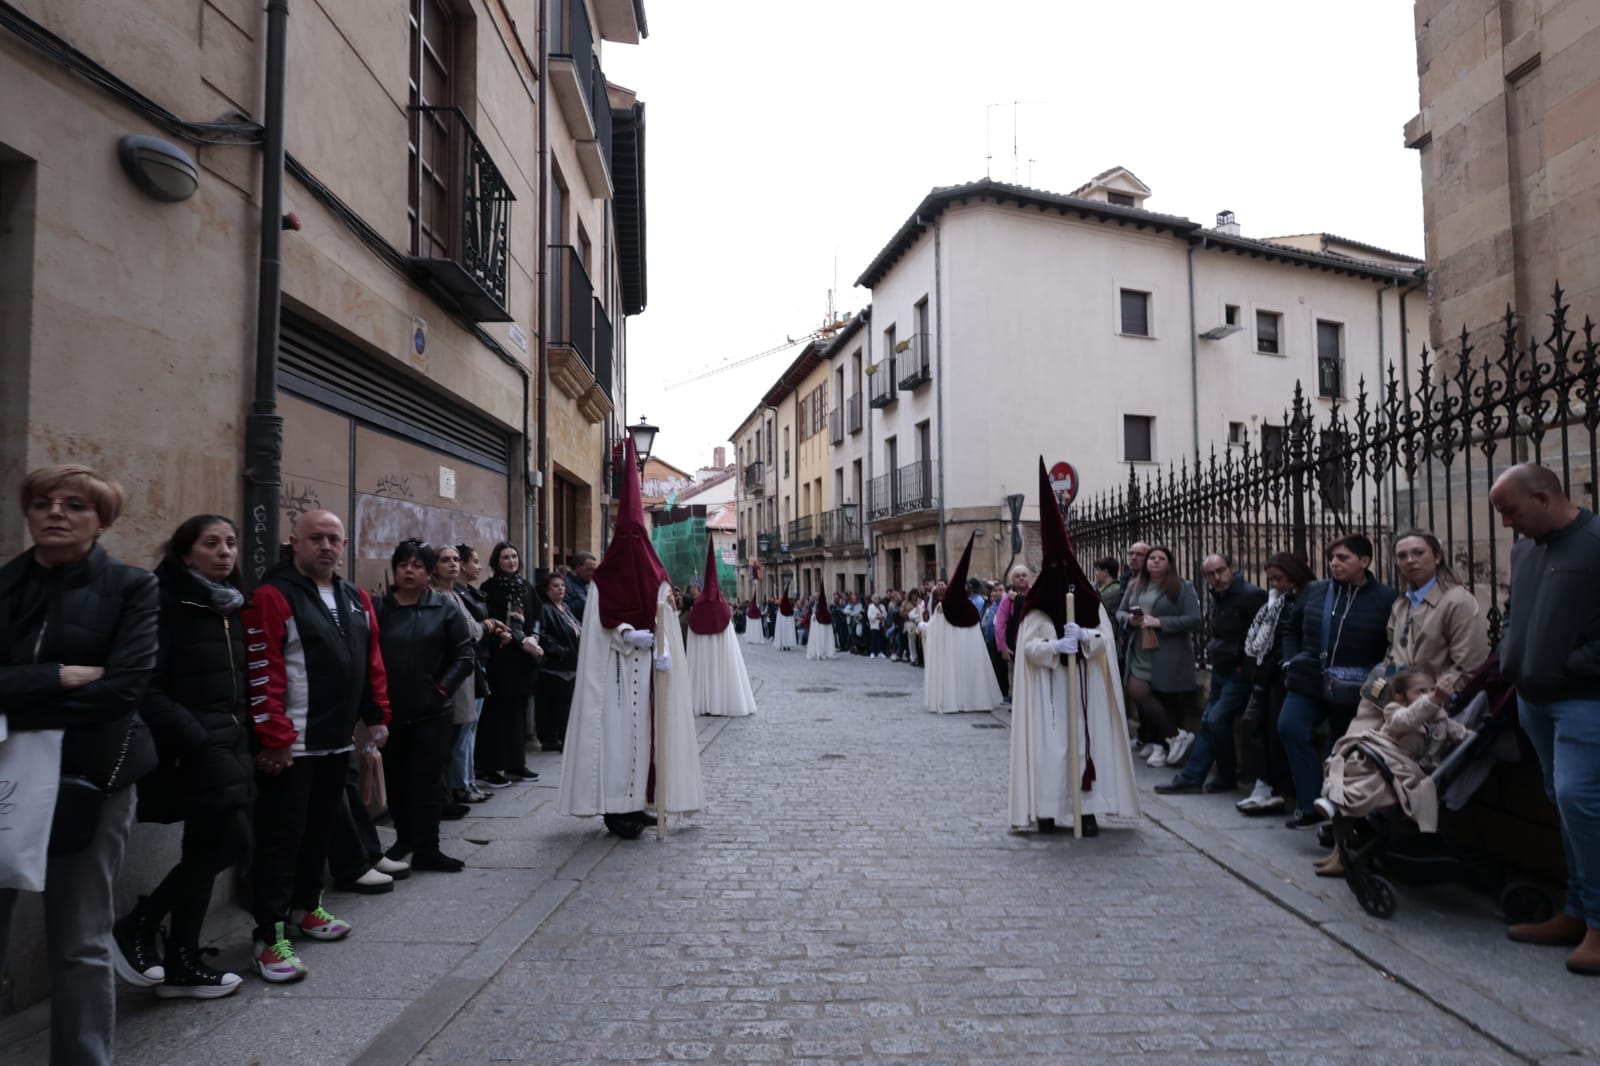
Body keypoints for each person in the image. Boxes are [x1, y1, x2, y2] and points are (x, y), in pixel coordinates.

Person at [0, 465, 159, 1062]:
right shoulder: (5, 585)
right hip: (6, 773)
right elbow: (91, 685)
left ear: (101, 520)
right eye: (43, 503)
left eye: (74, 505)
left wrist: (16, 692)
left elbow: (123, 690)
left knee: (79, 939)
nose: (55, 513)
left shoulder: (132, 588)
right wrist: (56, 676)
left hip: (88, 778)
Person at [244, 509, 391, 983]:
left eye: (333, 539)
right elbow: (262, 670)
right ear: (294, 542)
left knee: (319, 832)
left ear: (343, 545)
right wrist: (275, 738)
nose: (325, 546)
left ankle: (308, 908)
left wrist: (376, 716)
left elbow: (370, 661)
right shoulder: (273, 595)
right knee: (280, 840)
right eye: (315, 538)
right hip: (292, 747)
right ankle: (268, 937)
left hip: (335, 742)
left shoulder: (355, 597)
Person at [116, 515, 253, 999]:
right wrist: (194, 735)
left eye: (231, 543)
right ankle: (139, 923)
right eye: (211, 543)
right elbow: (144, 685)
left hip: (229, 741)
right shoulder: (164, 600)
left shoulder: (229, 605)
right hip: (194, 745)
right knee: (230, 840)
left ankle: (181, 960)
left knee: (207, 846)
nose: (224, 552)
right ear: (184, 552)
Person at [1311, 527, 1488, 875]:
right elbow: (1392, 654)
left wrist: (1431, 699)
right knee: (1342, 756)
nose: (1409, 560)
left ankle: (1351, 846)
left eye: (1418, 553)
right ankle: (1342, 845)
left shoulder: (1457, 602)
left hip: (1422, 710)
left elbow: (1469, 666)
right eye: (1402, 555)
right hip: (1384, 702)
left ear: (1436, 556)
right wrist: (1377, 687)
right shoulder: (1403, 601)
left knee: (1367, 765)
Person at [558, 438, 703, 838]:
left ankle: (641, 802)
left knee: (648, 742)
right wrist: (626, 635)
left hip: (649, 679)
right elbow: (597, 630)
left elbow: (668, 621)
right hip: (614, 682)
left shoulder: (657, 579)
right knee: (616, 743)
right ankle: (615, 807)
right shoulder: (603, 583)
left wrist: (663, 649)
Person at [1491, 463, 1600, 973]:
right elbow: (1514, 612)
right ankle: (1577, 912)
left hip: (1584, 699)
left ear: (1543, 497)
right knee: (1562, 802)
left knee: (1581, 801)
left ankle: (1597, 924)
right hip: (1532, 698)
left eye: (1509, 510)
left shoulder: (1595, 541)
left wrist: (1567, 665)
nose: (1506, 523)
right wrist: (1515, 655)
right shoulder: (1525, 550)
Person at [1009, 458, 1141, 835]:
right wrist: (1054, 647)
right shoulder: (1036, 606)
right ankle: (1048, 810)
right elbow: (1028, 650)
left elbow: (1104, 641)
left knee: (1086, 746)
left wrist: (1084, 639)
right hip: (1048, 693)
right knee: (1051, 751)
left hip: (1085, 689)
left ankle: (1087, 811)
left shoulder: (1088, 600)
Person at [1277, 534, 1397, 829]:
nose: (1334, 563)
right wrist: (1291, 659)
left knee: (1339, 748)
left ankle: (1335, 814)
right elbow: (1291, 628)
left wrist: (1378, 674)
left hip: (1354, 688)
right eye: (1332, 558)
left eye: (1343, 558)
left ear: (1365, 561)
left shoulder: (1387, 598)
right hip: (1308, 678)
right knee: (1290, 726)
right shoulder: (1316, 590)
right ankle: (1310, 805)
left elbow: (1392, 644)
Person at [375, 540, 476, 872]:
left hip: (432, 710)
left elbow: (464, 656)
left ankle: (427, 848)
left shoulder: (443, 607)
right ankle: (404, 838)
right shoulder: (379, 609)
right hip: (391, 711)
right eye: (403, 564)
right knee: (397, 778)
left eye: (417, 565)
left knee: (429, 780)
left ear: (428, 572)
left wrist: (441, 690)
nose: (409, 570)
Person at [1155, 553, 1266, 795]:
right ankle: (1199, 776)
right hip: (1221, 667)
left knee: (1214, 720)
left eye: (1220, 571)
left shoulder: (1250, 595)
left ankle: (1215, 775)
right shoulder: (1220, 596)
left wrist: (1244, 665)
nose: (1217, 577)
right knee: (1208, 721)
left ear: (1232, 568)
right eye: (1210, 574)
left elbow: (1262, 634)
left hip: (1238, 672)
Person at [1316, 669, 1466, 831]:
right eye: (1421, 692)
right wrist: (1433, 699)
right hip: (1383, 753)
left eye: (1431, 690)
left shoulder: (1441, 719)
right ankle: (1336, 797)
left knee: (1380, 782)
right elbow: (1407, 719)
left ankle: (1338, 799)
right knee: (1355, 768)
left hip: (1404, 769)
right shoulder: (1394, 710)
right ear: (1400, 697)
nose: (1428, 695)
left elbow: (1462, 735)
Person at [1236, 552, 1315, 815]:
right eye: (1271, 579)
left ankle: (1277, 788)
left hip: (1286, 674)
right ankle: (1264, 784)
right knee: (1254, 726)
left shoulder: (1306, 598)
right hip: (1267, 672)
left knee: (1273, 730)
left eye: (1278, 578)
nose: (1275, 585)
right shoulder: (1278, 601)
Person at [1116, 546, 1200, 769]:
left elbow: (1194, 619)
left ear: (1169, 563)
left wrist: (1160, 622)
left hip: (1168, 652)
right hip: (1141, 650)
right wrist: (1130, 620)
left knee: (1165, 699)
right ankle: (1176, 737)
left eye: (1161, 558)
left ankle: (1164, 745)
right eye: (1152, 558)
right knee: (1136, 690)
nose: (1155, 561)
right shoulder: (1136, 585)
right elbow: (1120, 611)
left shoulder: (1183, 587)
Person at [437, 544, 508, 804]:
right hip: (457, 669)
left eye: (456, 559)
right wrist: (486, 626)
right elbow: (469, 631)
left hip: (469, 666)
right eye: (446, 560)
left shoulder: (454, 594)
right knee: (461, 731)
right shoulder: (442, 596)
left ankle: (465, 782)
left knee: (468, 728)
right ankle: (460, 785)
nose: (453, 564)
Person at [476, 542, 542, 787]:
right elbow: (489, 619)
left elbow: (537, 616)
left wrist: (533, 637)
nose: (511, 561)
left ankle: (516, 763)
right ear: (497, 561)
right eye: (506, 557)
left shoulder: (525, 587)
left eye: (514, 556)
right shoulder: (489, 588)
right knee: (497, 715)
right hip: (500, 658)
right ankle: (491, 766)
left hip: (522, 660)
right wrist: (517, 638)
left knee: (518, 712)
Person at [921, 530, 1003, 713]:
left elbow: (934, 628)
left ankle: (955, 699)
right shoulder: (970, 609)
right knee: (973, 670)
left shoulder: (944, 608)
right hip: (968, 655)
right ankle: (976, 700)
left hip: (951, 653)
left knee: (954, 672)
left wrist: (924, 626)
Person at [686, 537, 757, 717]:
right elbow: (730, 648)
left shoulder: (697, 609)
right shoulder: (723, 609)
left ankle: (702, 701)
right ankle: (723, 701)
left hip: (703, 657)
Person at [533, 568, 581, 749]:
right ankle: (554, 739)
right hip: (556, 666)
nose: (560, 589)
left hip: (570, 663)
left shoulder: (565, 608)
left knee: (566, 704)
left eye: (562, 586)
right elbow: (543, 635)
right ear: (547, 590)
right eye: (555, 586)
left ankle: (564, 736)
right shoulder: (545, 609)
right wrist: (560, 651)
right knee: (557, 705)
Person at [564, 550, 597, 622]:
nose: (592, 573)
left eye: (594, 570)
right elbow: (564, 611)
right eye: (589, 569)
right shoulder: (564, 585)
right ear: (578, 567)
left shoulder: (589, 585)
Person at [807, 592, 837, 660]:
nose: (815, 598)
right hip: (816, 624)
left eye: (816, 596)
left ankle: (824, 651)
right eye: (814, 596)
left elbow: (822, 611)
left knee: (823, 637)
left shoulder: (823, 602)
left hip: (821, 623)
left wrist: (816, 615)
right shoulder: (813, 603)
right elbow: (812, 610)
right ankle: (818, 651)